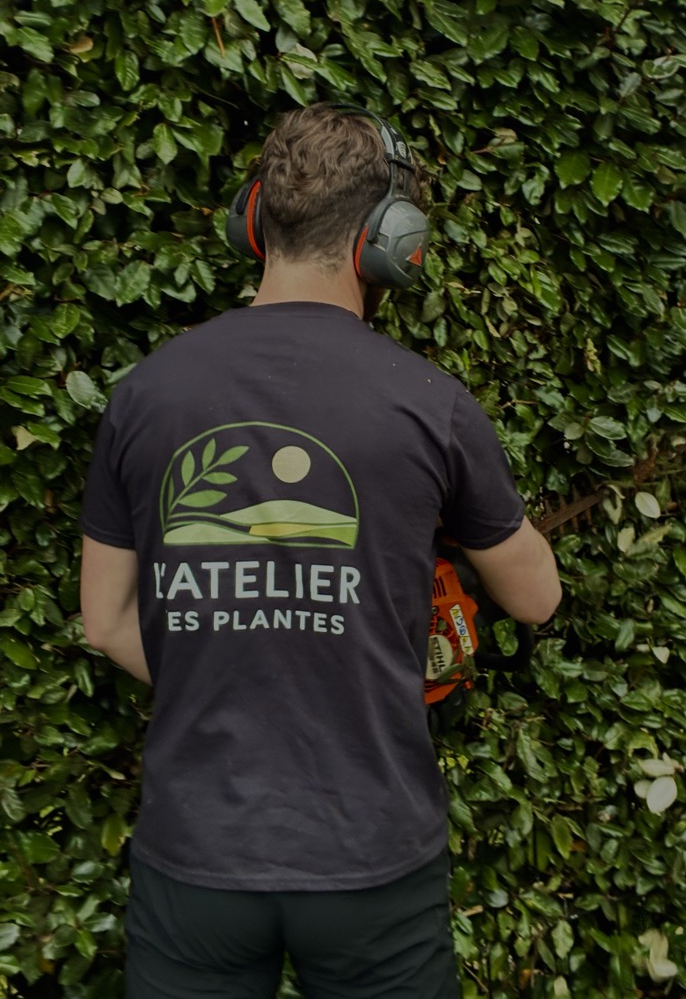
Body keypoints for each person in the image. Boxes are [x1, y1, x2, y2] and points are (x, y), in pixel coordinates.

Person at [79, 102, 561, 999]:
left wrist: (223, 660)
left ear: (254, 220)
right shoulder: (431, 403)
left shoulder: (145, 394)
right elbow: (535, 598)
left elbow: (105, 621)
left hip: (196, 855)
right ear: (391, 241)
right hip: (373, 858)